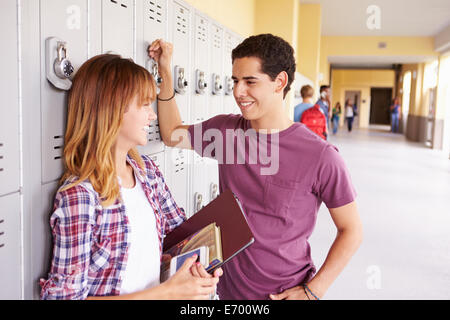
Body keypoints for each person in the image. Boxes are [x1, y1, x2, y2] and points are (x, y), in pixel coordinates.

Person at [149, 34, 363, 300]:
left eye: (250, 81)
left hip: (283, 293)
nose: (238, 91)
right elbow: (171, 134)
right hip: (228, 294)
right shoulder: (225, 133)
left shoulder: (321, 156)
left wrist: (313, 291)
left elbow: (351, 230)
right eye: (235, 81)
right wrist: (166, 73)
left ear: (280, 82)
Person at [39, 54, 221, 300]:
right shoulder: (81, 197)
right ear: (112, 108)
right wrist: (167, 293)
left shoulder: (146, 171)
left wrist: (198, 268)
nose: (153, 115)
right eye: (145, 104)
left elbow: (180, 235)